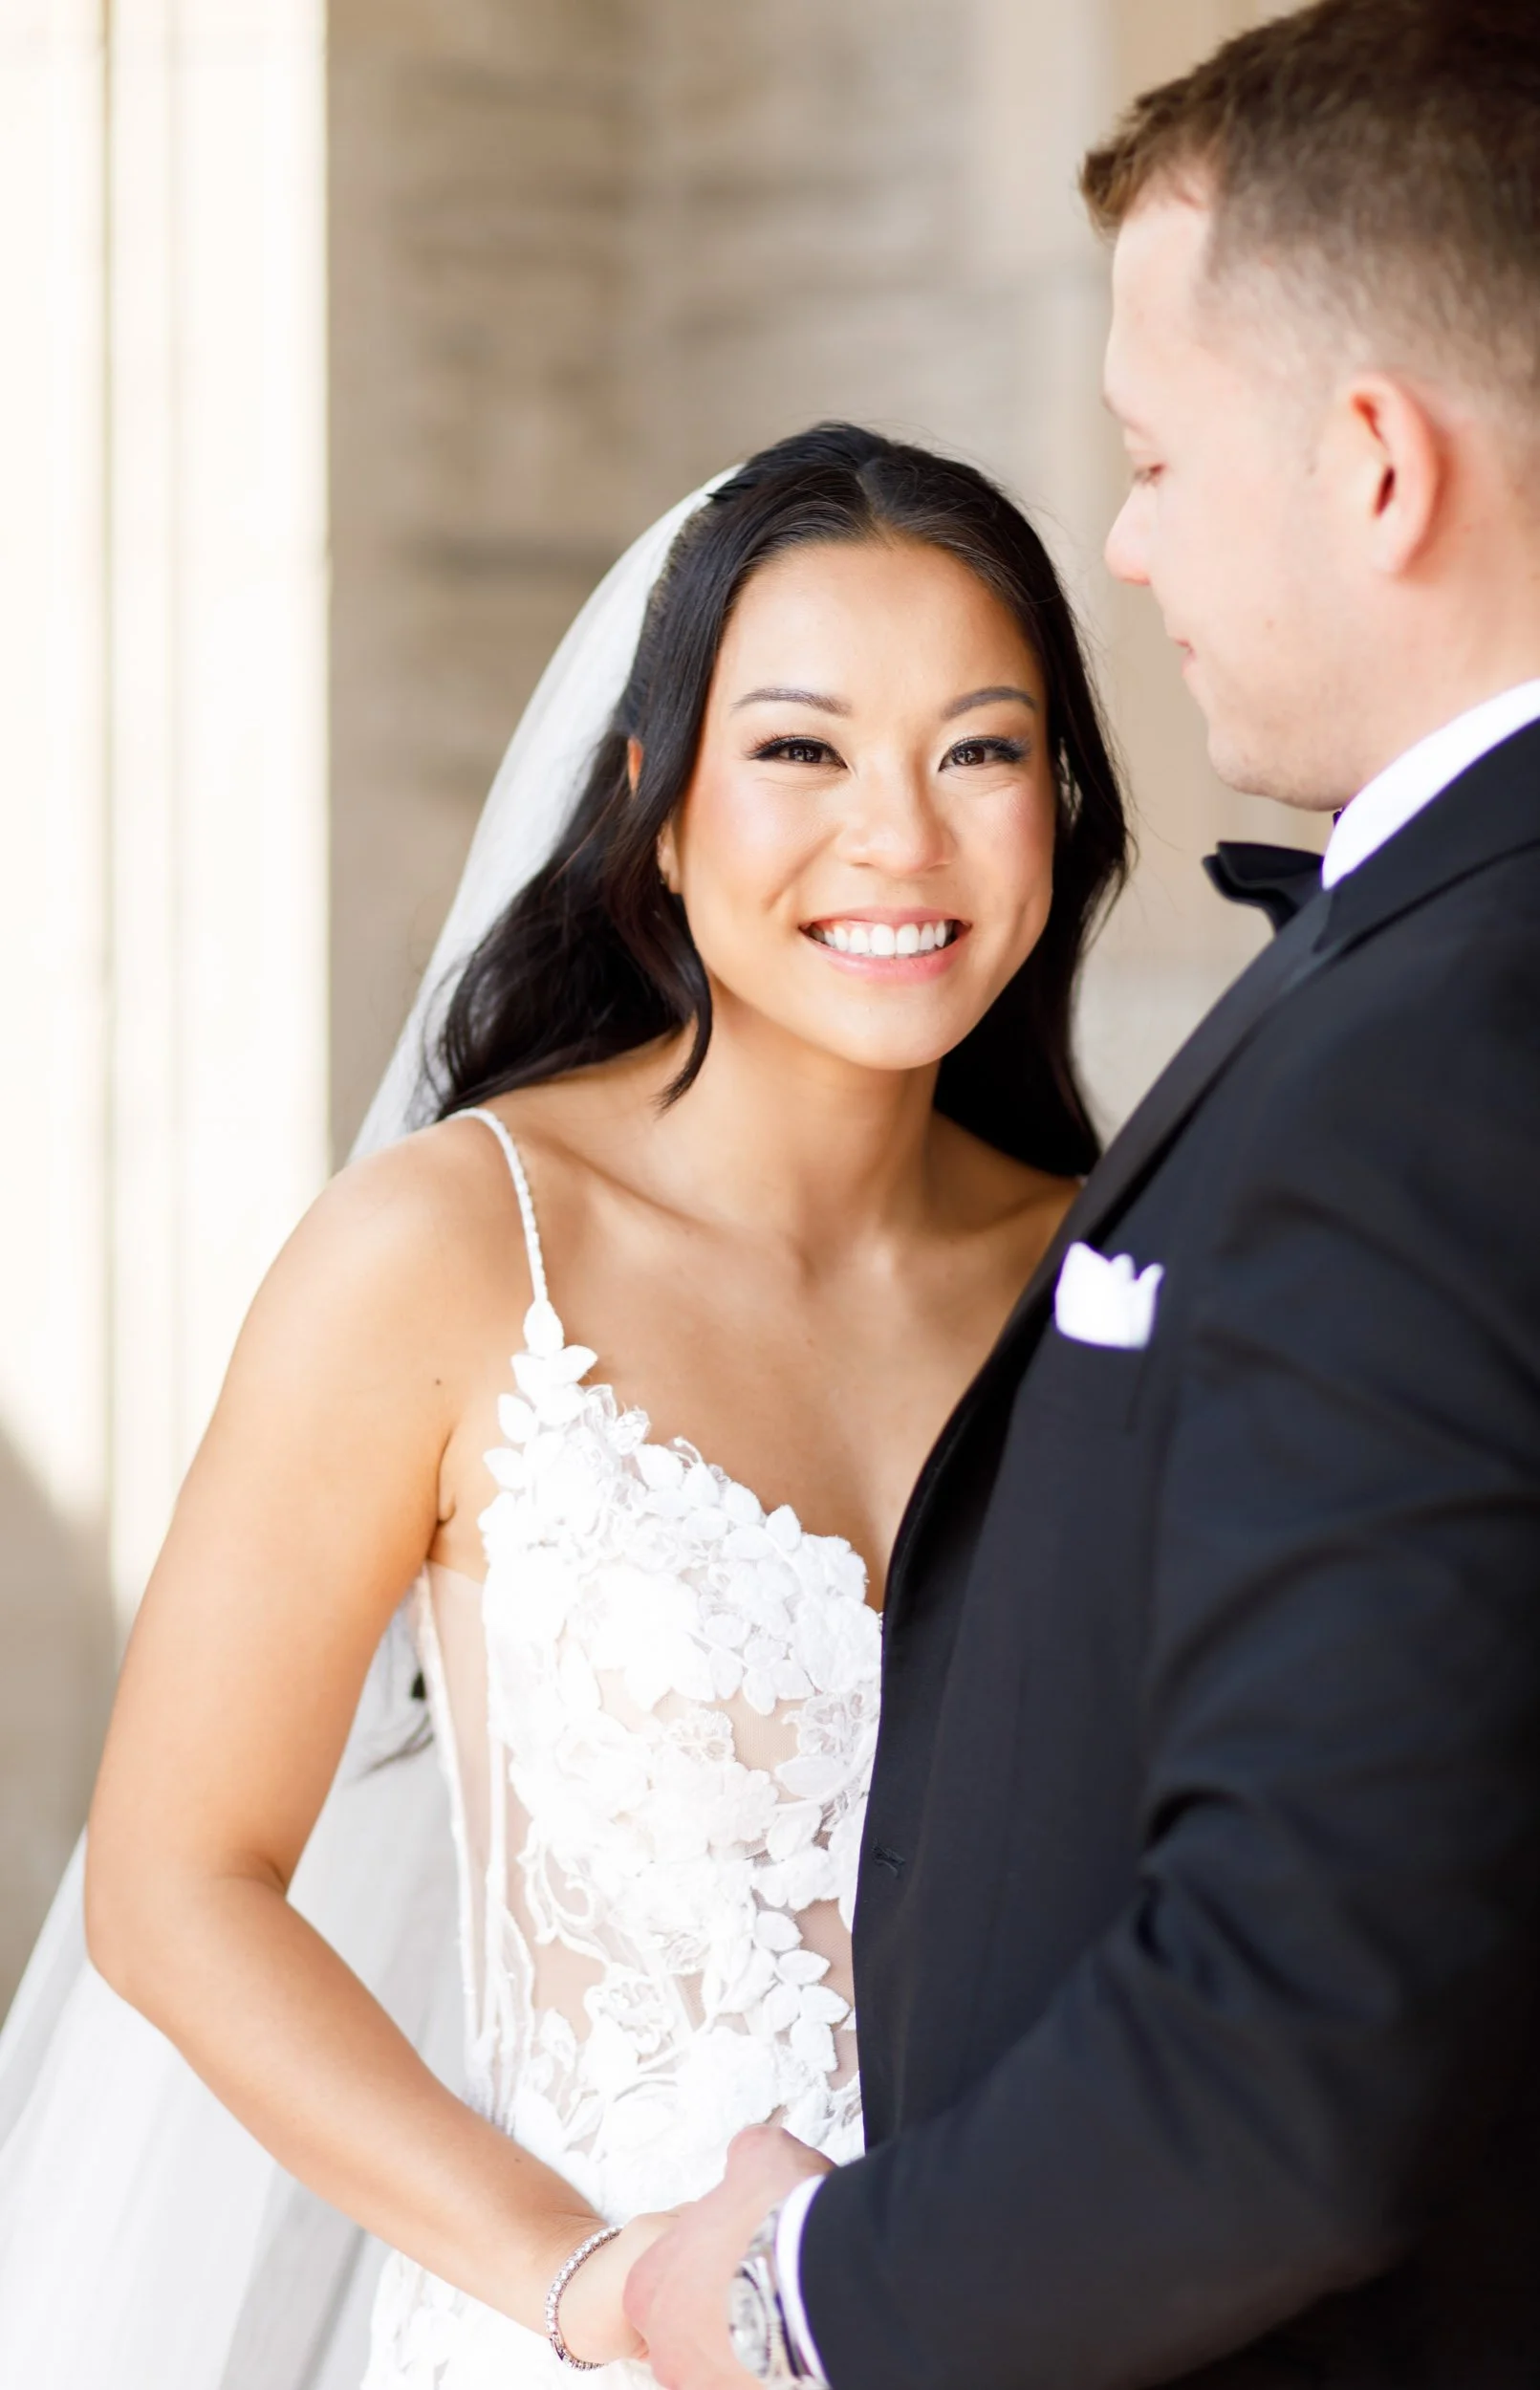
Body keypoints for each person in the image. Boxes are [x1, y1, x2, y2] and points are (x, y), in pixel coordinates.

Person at [0, 424, 1127, 2385]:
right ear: (656, 807)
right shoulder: (447, 1252)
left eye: (979, 747)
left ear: (1063, 799)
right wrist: (598, 2282)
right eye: (799, 748)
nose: (898, 835)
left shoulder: (1124, 1278)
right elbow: (177, 1883)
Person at [629, 4, 1540, 2385]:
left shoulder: (1425, 1054)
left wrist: (788, 2294)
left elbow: (1288, 2043)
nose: (1122, 543)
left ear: (1372, 466)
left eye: (1151, 455)